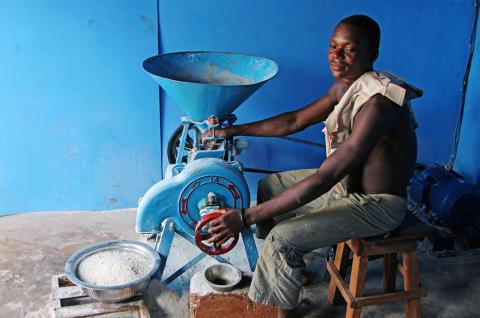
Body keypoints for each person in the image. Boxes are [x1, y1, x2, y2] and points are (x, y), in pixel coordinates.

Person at [203, 14, 422, 317]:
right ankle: (287, 275)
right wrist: (230, 131)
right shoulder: (347, 86)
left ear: (372, 54)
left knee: (282, 239)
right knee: (270, 186)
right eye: (333, 47)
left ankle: (283, 305)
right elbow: (293, 121)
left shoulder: (379, 104)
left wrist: (245, 216)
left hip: (377, 205)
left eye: (349, 49)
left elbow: (327, 175)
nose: (337, 56)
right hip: (346, 188)